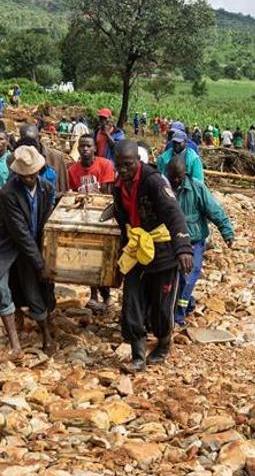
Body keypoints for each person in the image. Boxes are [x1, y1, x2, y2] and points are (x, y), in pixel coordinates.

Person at [113, 140, 193, 372]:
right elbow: (121, 216)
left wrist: (184, 247)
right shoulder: (119, 185)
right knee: (132, 301)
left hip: (163, 250)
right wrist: (122, 244)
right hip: (137, 249)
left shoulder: (154, 182)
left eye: (128, 165)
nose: (123, 170)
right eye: (119, 165)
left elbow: (173, 212)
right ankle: (138, 356)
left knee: (161, 305)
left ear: (138, 161)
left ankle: (164, 343)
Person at [0, 146, 57, 359]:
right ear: (18, 173)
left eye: (33, 174)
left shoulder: (47, 188)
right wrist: (40, 264)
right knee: (1, 288)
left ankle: (47, 336)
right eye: (26, 175)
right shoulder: (7, 194)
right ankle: (15, 345)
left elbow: (50, 214)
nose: (30, 178)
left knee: (34, 290)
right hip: (5, 246)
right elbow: (19, 233)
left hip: (32, 244)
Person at [165, 155, 234, 327]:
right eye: (171, 176)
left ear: (184, 174)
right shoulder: (162, 188)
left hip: (194, 241)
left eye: (178, 177)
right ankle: (188, 303)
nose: (175, 180)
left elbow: (214, 211)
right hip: (170, 241)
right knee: (172, 279)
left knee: (188, 276)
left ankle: (179, 316)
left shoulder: (197, 188)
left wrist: (227, 232)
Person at [67, 135, 116, 312]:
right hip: (83, 218)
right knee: (87, 258)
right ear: (78, 149)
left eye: (88, 146)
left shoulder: (105, 165)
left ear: (95, 148)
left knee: (103, 259)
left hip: (102, 218)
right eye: (82, 146)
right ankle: (94, 294)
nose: (85, 149)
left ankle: (107, 295)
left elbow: (107, 194)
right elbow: (72, 194)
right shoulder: (73, 170)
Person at [18, 124, 68, 193]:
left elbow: (64, 190)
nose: (29, 145)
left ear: (39, 138)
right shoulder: (16, 159)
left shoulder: (57, 158)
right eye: (25, 141)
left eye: (32, 141)